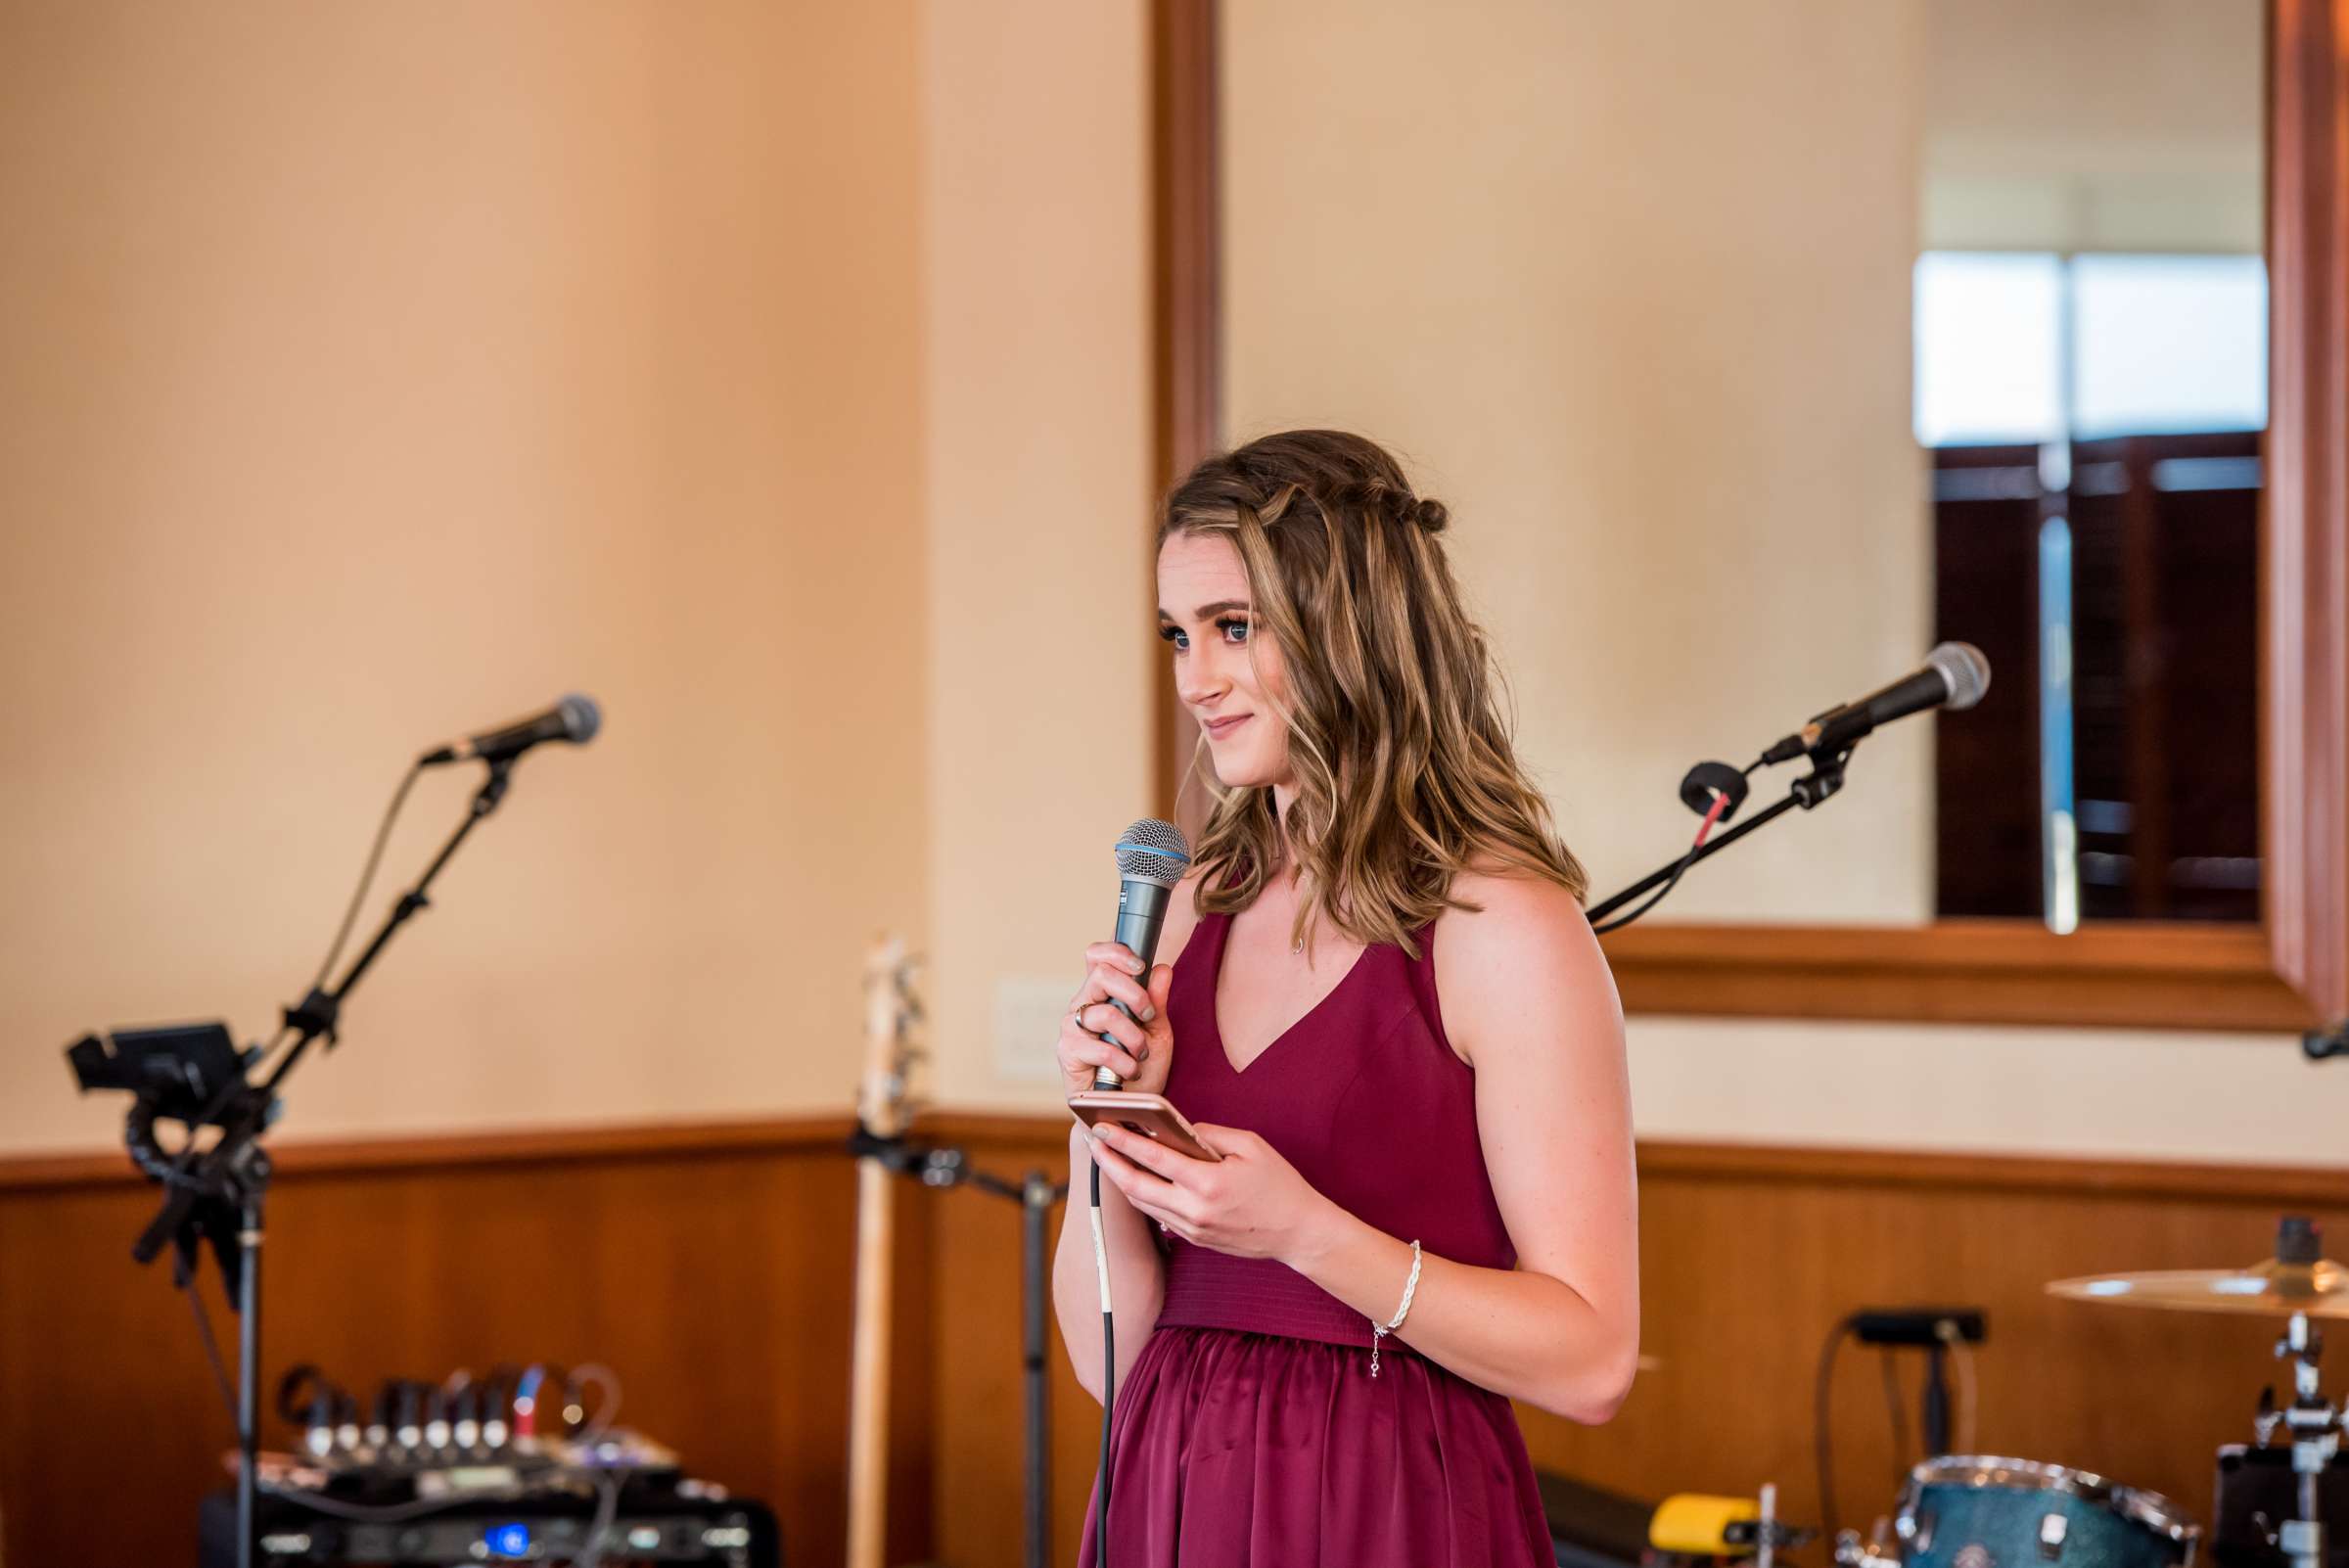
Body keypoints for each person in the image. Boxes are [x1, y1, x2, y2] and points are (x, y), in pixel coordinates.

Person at [1050, 430, 1639, 1567]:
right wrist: (1097, 1120)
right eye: (1180, 636)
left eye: (1233, 629)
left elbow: (1592, 1362)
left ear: (1346, 629)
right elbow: (1105, 1359)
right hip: (1170, 1486)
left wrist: (1308, 1234)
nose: (1193, 680)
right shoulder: (1186, 909)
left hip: (1391, 1499)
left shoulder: (1501, 928)